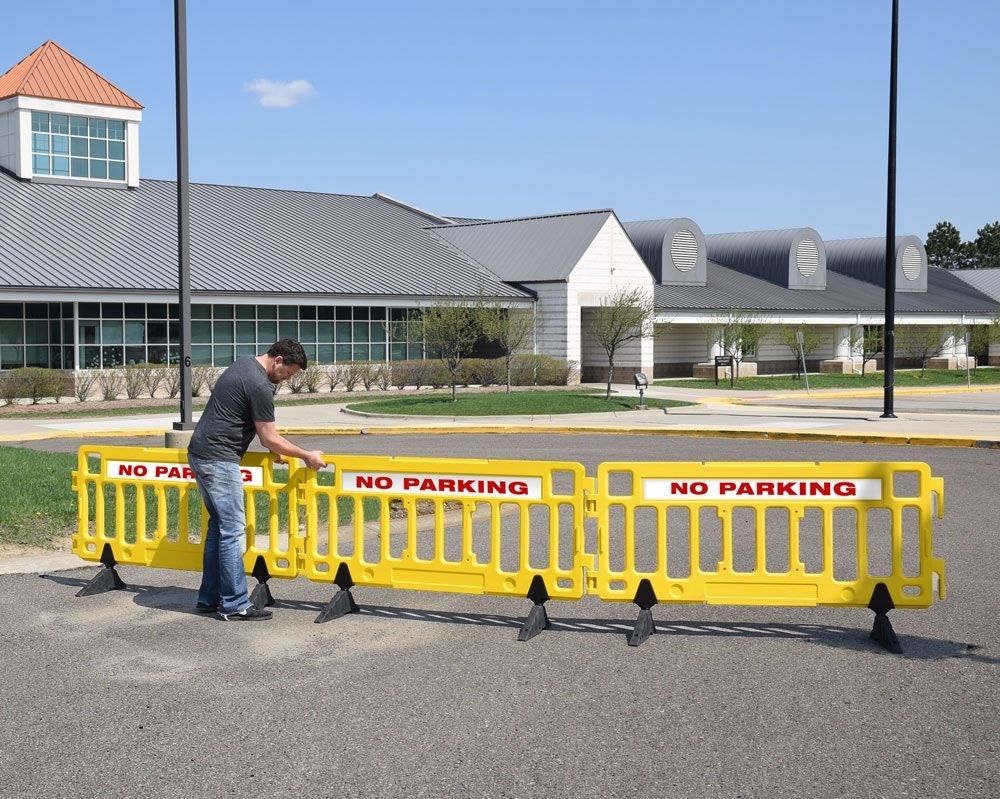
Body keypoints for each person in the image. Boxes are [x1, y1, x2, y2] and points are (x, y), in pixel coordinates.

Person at [187, 339, 327, 621]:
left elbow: (250, 423)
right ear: (277, 360)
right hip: (219, 459)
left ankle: (209, 597)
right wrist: (305, 455)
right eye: (287, 373)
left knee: (219, 527)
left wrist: (275, 448)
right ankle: (235, 604)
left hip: (200, 452)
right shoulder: (260, 385)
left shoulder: (243, 364)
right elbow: (268, 435)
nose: (287, 380)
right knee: (232, 531)